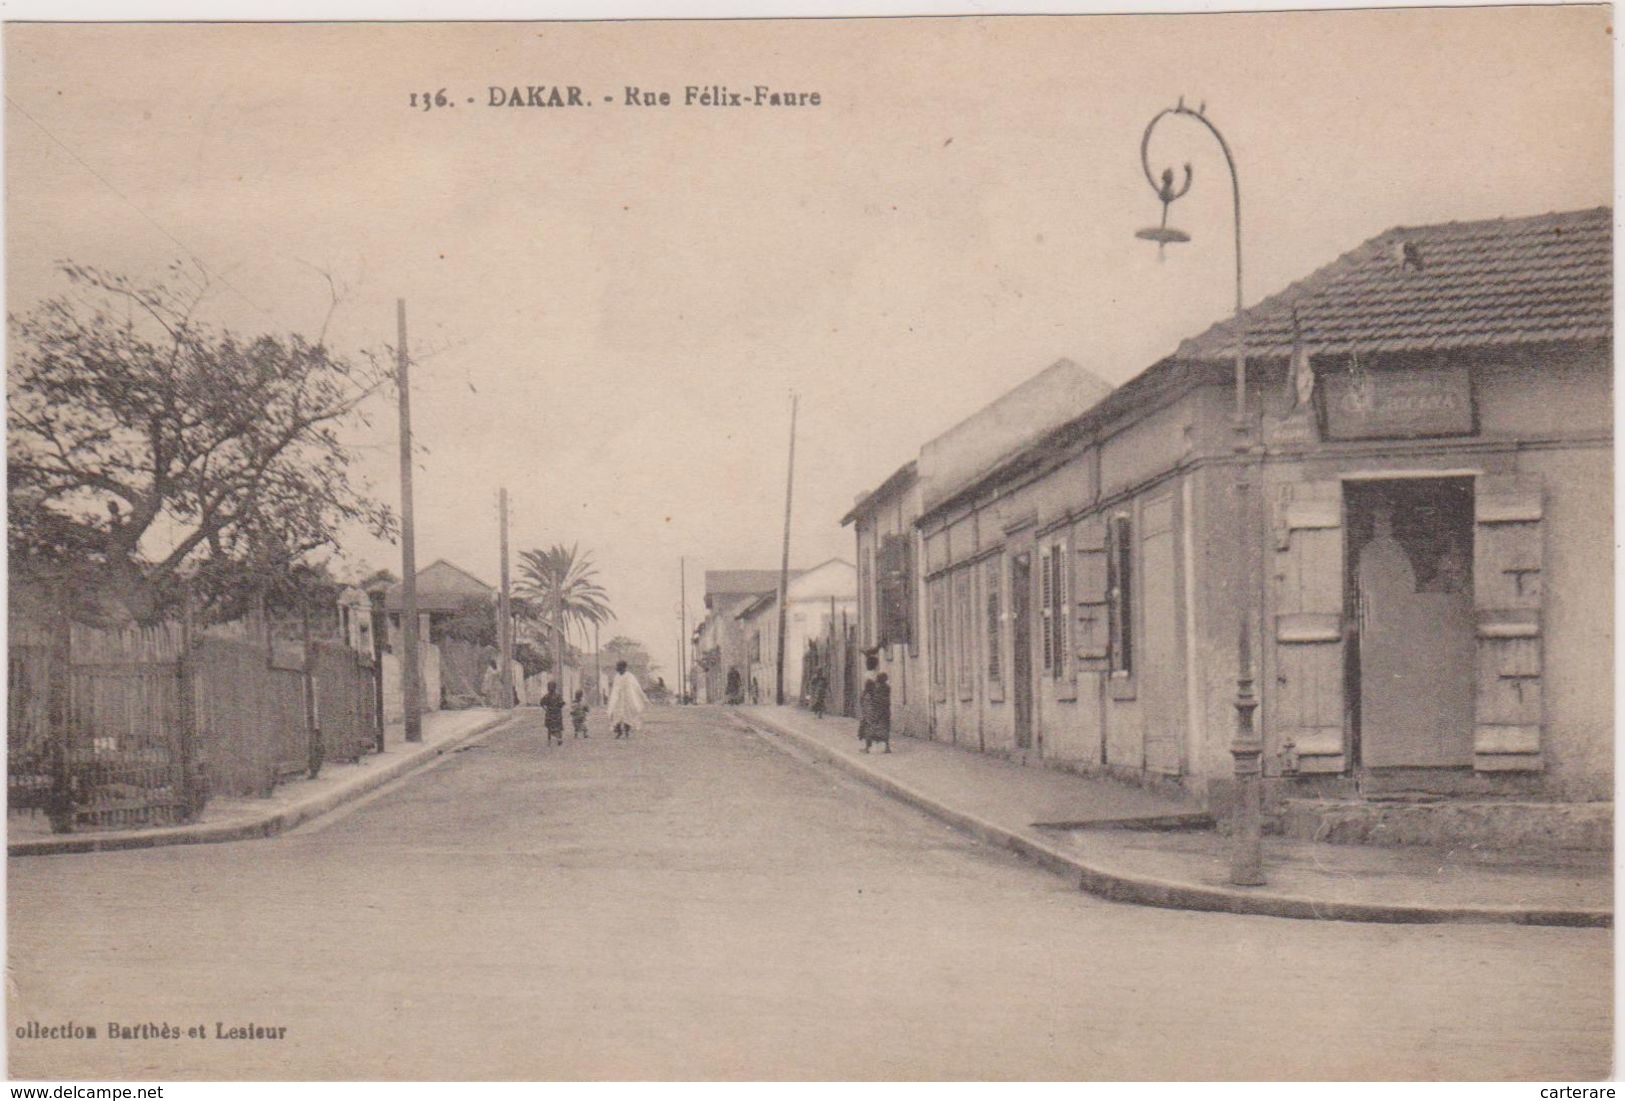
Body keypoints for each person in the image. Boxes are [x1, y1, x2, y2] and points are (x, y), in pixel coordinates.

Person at [607, 660, 648, 739]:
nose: (617, 668)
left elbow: (637, 687)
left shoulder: (630, 676)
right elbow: (615, 688)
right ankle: (619, 732)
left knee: (628, 716)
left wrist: (643, 697)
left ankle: (627, 732)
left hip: (628, 699)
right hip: (618, 699)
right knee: (616, 715)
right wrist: (613, 699)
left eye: (618, 666)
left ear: (623, 667)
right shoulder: (617, 676)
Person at [859, 672, 891, 753]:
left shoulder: (876, 688)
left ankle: (867, 748)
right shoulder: (887, 687)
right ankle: (887, 747)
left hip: (875, 712)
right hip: (885, 712)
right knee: (885, 729)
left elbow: (871, 700)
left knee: (868, 729)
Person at [539, 680, 566, 746]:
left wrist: (546, 709)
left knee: (550, 727)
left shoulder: (546, 696)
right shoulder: (558, 696)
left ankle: (549, 740)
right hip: (557, 713)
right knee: (558, 726)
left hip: (550, 713)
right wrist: (559, 706)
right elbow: (562, 703)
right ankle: (559, 739)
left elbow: (541, 703)